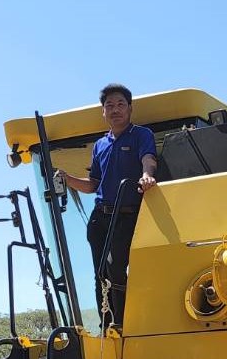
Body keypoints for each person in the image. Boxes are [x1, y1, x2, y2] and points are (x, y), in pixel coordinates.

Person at [54, 82, 158, 330]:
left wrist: (147, 176)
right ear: (103, 112)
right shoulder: (100, 145)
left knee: (115, 268)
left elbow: (148, 159)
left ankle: (122, 323)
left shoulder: (142, 135)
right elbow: (92, 185)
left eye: (121, 104)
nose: (115, 109)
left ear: (130, 108)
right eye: (109, 105)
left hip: (127, 215)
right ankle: (106, 324)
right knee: (100, 274)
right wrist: (68, 179)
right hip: (100, 217)